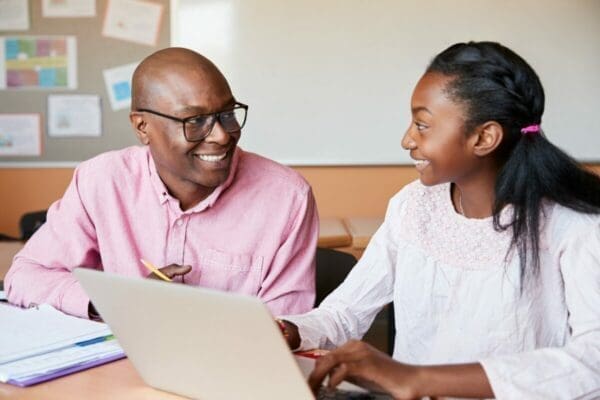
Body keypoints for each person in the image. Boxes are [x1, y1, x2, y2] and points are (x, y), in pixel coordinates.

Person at [279, 41, 600, 399]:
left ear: (483, 137)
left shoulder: (575, 226)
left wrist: (416, 378)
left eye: (422, 124)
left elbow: (592, 364)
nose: (407, 140)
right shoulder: (412, 206)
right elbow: (344, 313)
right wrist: (292, 329)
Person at [5, 47, 318, 319]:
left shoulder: (287, 198)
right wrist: (119, 303)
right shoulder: (101, 181)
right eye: (194, 121)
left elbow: (287, 329)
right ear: (143, 127)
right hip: (118, 374)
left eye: (227, 113)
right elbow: (24, 276)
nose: (222, 135)